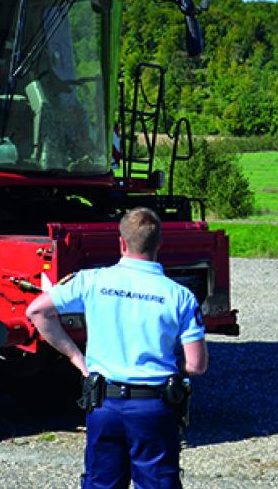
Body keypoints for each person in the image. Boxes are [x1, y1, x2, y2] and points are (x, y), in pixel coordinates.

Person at [26, 207, 207, 489]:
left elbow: (37, 311)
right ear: (159, 243)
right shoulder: (179, 296)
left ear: (121, 242)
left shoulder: (91, 281)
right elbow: (196, 365)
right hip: (154, 407)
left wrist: (78, 359)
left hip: (104, 405)